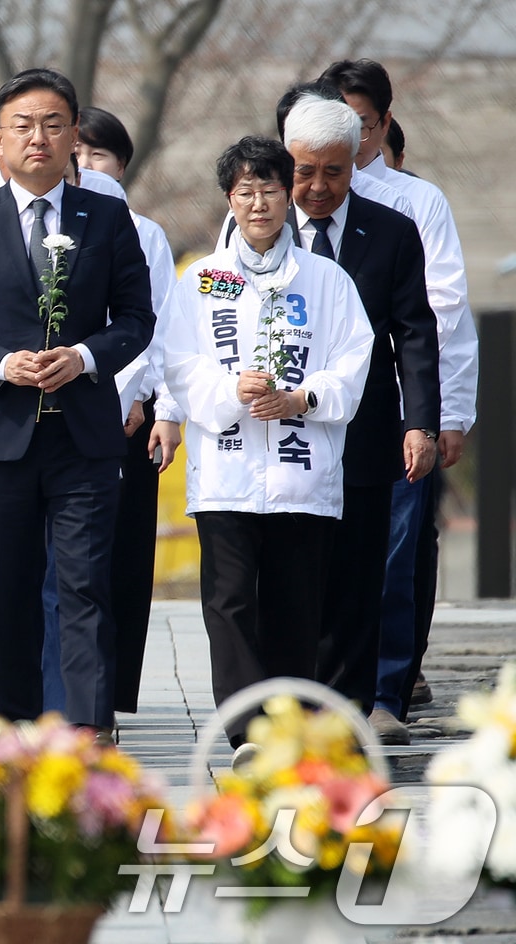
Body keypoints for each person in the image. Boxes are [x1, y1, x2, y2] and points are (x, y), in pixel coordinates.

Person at [0, 68, 153, 734]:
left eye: (54, 124)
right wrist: (0, 364)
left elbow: (136, 317)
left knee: (83, 587)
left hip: (84, 435)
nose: (39, 138)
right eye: (23, 126)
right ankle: (19, 727)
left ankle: (85, 731)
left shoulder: (107, 216)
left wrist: (82, 357)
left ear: (74, 137)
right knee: (9, 594)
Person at [160, 135, 373, 758]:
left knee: (295, 607)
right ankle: (248, 732)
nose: (259, 204)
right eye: (246, 192)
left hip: (300, 474)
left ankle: (293, 727)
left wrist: (301, 398)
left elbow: (354, 364)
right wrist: (232, 389)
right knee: (229, 603)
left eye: (270, 190)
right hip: (226, 471)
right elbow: (179, 364)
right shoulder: (201, 280)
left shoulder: (327, 281)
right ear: (230, 198)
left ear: (290, 196)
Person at [318, 58, 479, 737]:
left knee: (395, 549)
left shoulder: (416, 203)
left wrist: (447, 412)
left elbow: (442, 314)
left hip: (392, 407)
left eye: (358, 124)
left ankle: (385, 694)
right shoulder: (278, 196)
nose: (346, 139)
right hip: (301, 414)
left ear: (384, 124)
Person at [276, 94, 439, 743]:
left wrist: (420, 422)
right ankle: (291, 706)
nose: (317, 187)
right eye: (303, 170)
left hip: (365, 433)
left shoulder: (392, 231)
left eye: (333, 172)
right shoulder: (260, 227)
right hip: (280, 436)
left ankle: (351, 708)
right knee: (290, 574)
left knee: (359, 572)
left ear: (356, 162)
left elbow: (416, 333)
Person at [72, 106, 182, 719]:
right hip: (59, 413)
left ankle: (108, 695)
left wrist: (156, 403)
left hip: (129, 421)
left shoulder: (145, 235)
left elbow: (161, 327)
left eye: (99, 154)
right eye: (77, 152)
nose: (85, 164)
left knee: (121, 557)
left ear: (123, 166)